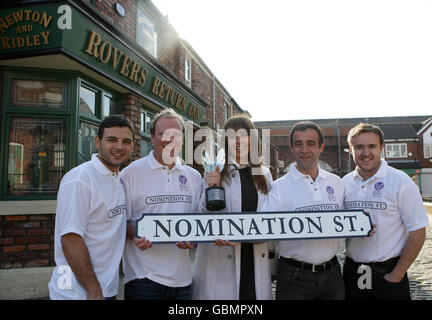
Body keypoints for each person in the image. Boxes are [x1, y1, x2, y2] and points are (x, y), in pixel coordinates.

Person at [48, 115, 135, 299]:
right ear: (98, 141)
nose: (119, 147)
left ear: (133, 146)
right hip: (76, 294)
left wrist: (143, 235)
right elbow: (71, 239)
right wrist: (93, 290)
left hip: (106, 290)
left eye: (126, 141)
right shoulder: (80, 179)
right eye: (112, 140)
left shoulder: (118, 179)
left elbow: (112, 223)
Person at [121, 108, 202, 300]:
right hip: (142, 278)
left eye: (175, 134)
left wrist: (193, 239)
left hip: (182, 281)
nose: (168, 139)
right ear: (151, 137)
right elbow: (118, 221)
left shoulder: (193, 177)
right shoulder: (131, 174)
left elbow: (197, 222)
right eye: (162, 134)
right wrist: (136, 234)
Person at [342, 123, 429, 300]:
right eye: (359, 147)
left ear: (381, 147)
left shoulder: (400, 181)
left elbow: (418, 231)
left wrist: (397, 274)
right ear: (351, 150)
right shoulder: (344, 183)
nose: (366, 153)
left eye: (372, 146)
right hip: (353, 273)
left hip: (388, 274)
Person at [192, 114, 274, 300]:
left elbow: (271, 218)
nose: (238, 141)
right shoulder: (214, 170)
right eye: (232, 135)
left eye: (243, 135)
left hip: (254, 257)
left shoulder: (264, 174)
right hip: (220, 260)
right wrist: (212, 186)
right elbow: (200, 216)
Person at [261, 121, 345, 300]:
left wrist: (364, 223)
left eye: (310, 143)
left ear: (321, 147)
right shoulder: (278, 187)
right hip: (294, 277)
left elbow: (347, 221)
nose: (304, 149)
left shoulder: (336, 182)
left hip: (332, 275)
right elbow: (264, 231)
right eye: (298, 144)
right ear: (291, 148)